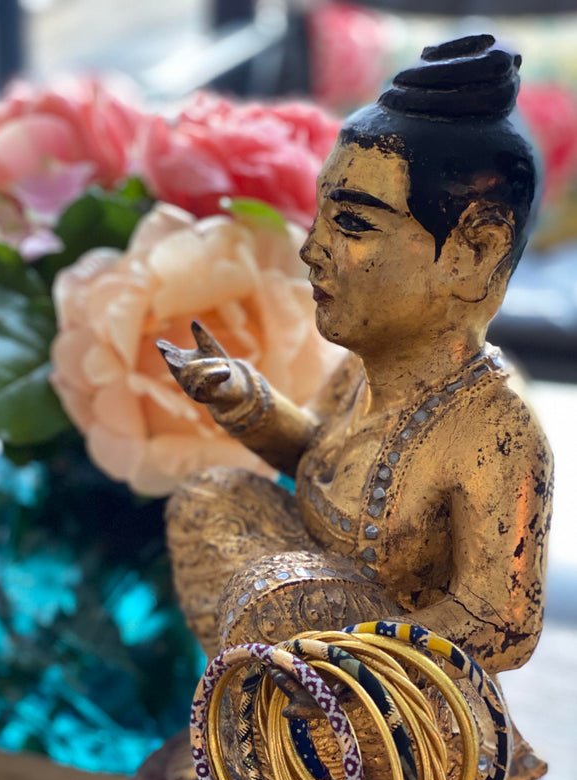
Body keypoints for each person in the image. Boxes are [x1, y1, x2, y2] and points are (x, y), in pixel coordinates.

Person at [158, 34, 553, 681]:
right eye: (320, 217)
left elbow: (502, 622)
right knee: (212, 499)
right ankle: (263, 690)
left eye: (351, 224)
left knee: (272, 601)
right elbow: (317, 456)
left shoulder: (495, 430)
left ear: (474, 250)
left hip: (392, 688)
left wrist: (353, 650)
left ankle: (284, 695)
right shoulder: (358, 373)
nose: (310, 249)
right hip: (304, 622)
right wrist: (248, 403)